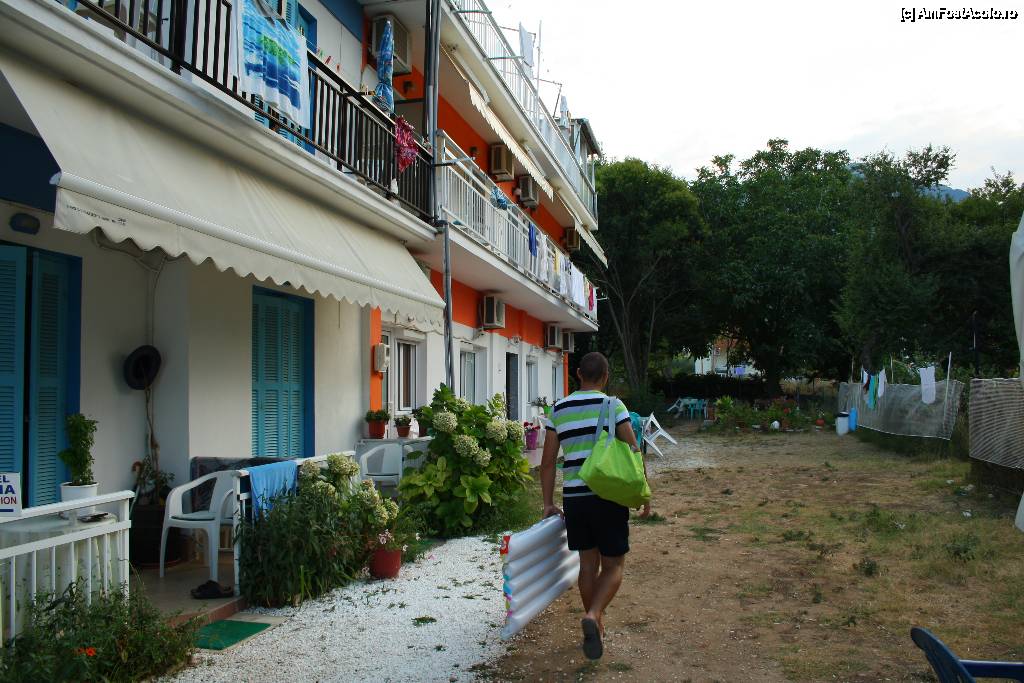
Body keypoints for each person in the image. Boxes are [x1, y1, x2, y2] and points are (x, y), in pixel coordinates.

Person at [540, 351, 651, 660]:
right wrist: (644, 493)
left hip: (575, 500)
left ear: (577, 373)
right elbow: (633, 450)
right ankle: (593, 615)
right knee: (614, 565)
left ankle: (596, 627)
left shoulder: (558, 409)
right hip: (609, 497)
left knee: (587, 565)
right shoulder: (614, 406)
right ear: (605, 376)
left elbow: (547, 463)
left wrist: (548, 503)